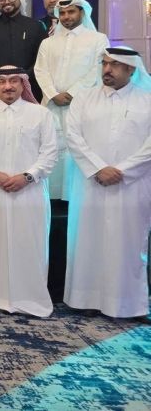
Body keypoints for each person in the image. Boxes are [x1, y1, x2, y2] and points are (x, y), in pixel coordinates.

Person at [64, 46, 151, 319]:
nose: (107, 70)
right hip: (91, 182)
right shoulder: (84, 98)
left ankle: (129, 305)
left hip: (132, 185)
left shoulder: (147, 100)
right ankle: (85, 299)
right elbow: (73, 136)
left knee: (128, 244)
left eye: (114, 65)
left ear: (131, 69)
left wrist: (121, 171)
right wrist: (98, 169)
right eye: (104, 63)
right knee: (87, 240)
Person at [0, 66, 57, 317]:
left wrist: (27, 176)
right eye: (1, 81)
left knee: (28, 244)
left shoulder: (41, 114)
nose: (8, 86)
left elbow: (50, 153)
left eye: (14, 80)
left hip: (29, 191)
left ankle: (29, 298)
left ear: (23, 84)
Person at [33, 0, 108, 200]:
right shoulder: (48, 43)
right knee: (52, 147)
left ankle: (73, 194)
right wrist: (53, 94)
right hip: (52, 104)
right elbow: (40, 70)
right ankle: (52, 195)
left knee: (78, 147)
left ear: (81, 13)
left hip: (82, 103)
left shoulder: (98, 39)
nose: (66, 17)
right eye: (62, 13)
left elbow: (97, 69)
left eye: (71, 12)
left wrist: (72, 93)